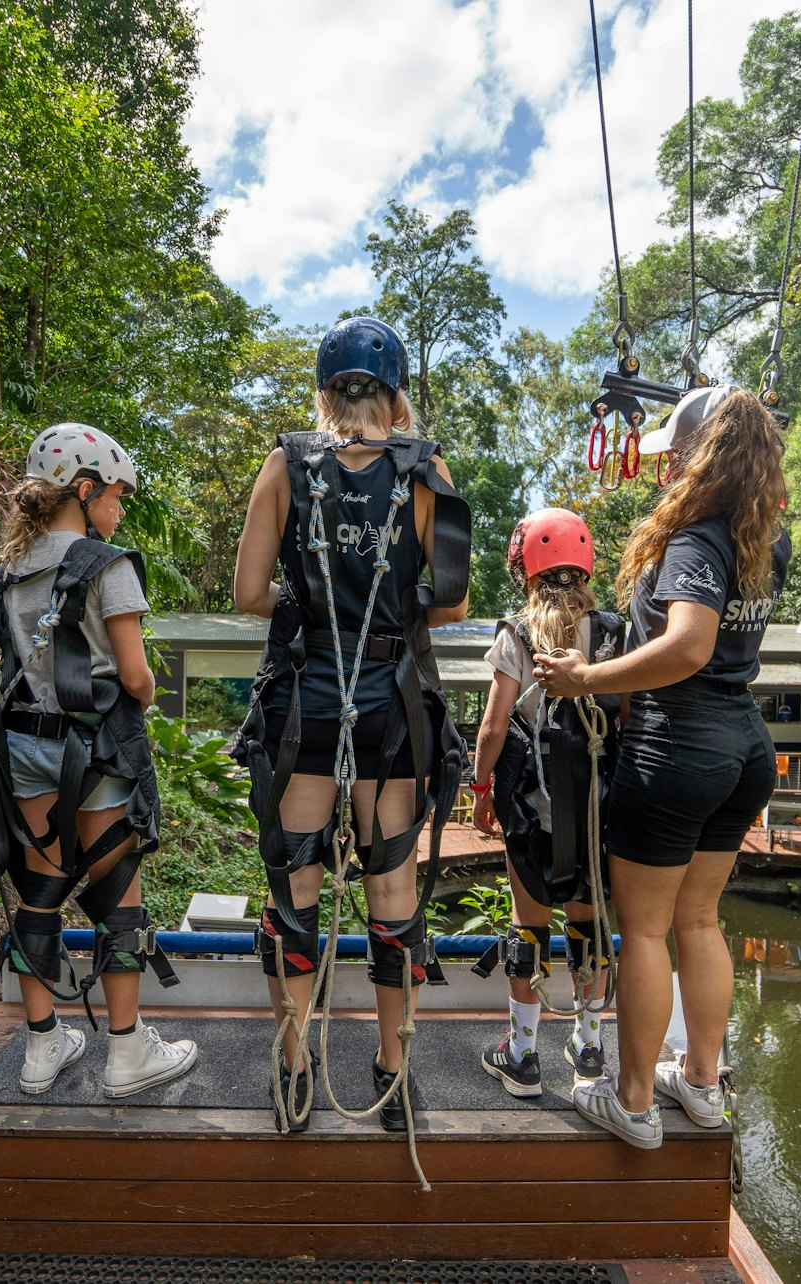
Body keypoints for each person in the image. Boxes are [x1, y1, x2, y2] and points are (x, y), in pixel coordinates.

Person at [231, 316, 470, 1133]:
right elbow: (453, 602)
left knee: (294, 891)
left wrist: (310, 604)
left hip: (304, 705)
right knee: (393, 891)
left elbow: (249, 592)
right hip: (390, 712)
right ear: (395, 397)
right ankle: (393, 1077)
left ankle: (294, 1070)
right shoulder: (426, 469)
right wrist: (390, 607)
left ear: (325, 394)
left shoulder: (286, 464)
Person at [534, 385, 789, 1149]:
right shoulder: (764, 535)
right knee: (700, 920)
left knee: (644, 931)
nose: (665, 469)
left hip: (678, 747)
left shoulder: (697, 539)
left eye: (674, 455)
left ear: (700, 456)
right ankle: (702, 1085)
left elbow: (688, 647)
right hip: (742, 746)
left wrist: (585, 679)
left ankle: (635, 1101)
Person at [0, 423, 196, 1096]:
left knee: (39, 892)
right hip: (97, 752)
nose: (121, 508)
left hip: (25, 748)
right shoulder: (107, 565)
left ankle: (42, 1046)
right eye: (117, 494)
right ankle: (127, 1053)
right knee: (117, 892)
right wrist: (149, 688)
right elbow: (135, 677)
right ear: (84, 490)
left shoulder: (9, 569)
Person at [469, 509, 626, 1097]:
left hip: (531, 809)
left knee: (528, 924)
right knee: (588, 922)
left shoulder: (516, 634)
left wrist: (480, 791)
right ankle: (589, 1047)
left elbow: (493, 727)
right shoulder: (613, 634)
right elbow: (627, 719)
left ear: (526, 568)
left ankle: (523, 1057)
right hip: (594, 813)